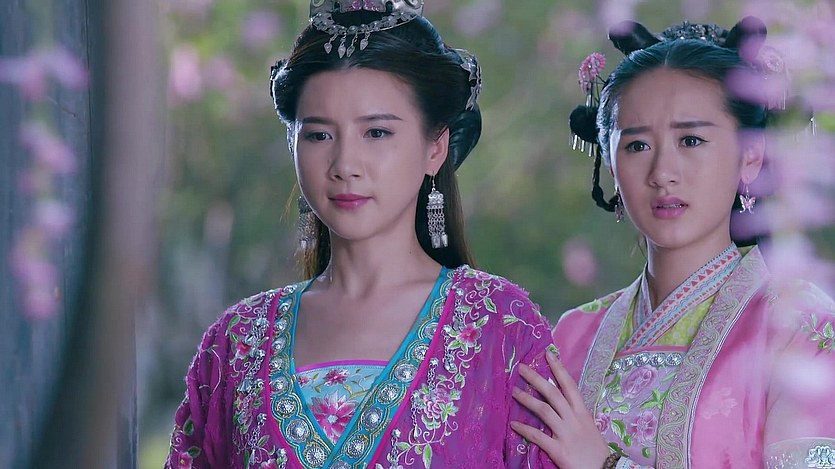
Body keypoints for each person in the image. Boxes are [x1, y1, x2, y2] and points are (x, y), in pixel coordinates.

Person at [165, 1, 558, 467]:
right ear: (293, 143)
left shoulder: (501, 326)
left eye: (376, 133)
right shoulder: (235, 343)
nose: (345, 165)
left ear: (435, 147)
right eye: (319, 135)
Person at [510, 18, 835, 469]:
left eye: (691, 140)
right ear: (611, 162)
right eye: (637, 146)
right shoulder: (573, 333)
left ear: (750, 156)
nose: (663, 172)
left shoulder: (801, 326)